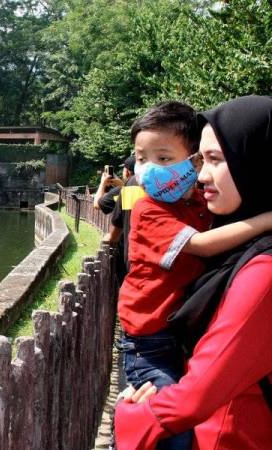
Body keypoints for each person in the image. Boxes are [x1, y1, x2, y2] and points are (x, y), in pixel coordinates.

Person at [115, 95, 272, 450]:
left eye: (214, 159)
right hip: (151, 339)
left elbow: (196, 397)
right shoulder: (145, 203)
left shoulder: (262, 268)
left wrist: (130, 419)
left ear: (254, 162)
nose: (201, 175)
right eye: (141, 159)